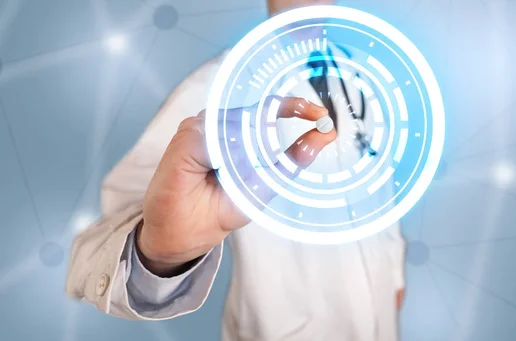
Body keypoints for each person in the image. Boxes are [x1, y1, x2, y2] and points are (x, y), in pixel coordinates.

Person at [66, 0, 407, 340]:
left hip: (380, 318)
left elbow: (379, 185)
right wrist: (156, 253)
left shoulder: (360, 73)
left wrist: (394, 273)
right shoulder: (219, 84)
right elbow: (99, 244)